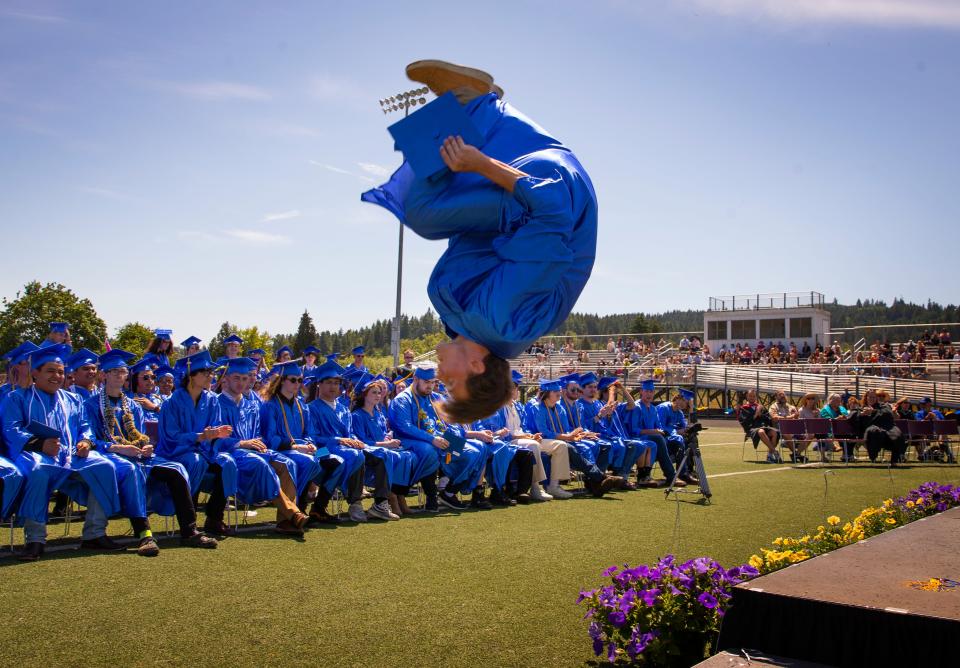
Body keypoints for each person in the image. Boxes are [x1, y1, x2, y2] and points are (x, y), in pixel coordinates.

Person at [362, 60, 597, 425]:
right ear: (475, 364)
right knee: (423, 211)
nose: (439, 377)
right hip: (551, 195)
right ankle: (470, 103)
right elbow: (552, 216)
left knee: (428, 209)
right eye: (451, 383)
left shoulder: (472, 325)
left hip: (521, 215)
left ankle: (473, 112)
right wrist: (482, 163)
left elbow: (472, 242)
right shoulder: (502, 320)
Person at [86, 349, 218, 553]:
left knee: (176, 470)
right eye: (114, 372)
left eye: (123, 371)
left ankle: (189, 531)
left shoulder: (132, 405)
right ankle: (144, 535)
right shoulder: (91, 404)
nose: (121, 376)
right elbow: (91, 438)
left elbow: (139, 435)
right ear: (103, 375)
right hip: (111, 455)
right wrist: (118, 447)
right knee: (133, 473)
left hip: (138, 456)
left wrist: (144, 446)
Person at [2, 344, 126, 561]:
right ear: (35, 373)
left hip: (70, 454)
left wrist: (86, 441)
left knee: (105, 466)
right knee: (39, 470)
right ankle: (35, 539)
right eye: (50, 371)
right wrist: (39, 444)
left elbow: (85, 425)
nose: (57, 376)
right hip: (36, 454)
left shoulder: (73, 399)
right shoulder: (18, 398)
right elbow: (11, 429)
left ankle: (94, 534)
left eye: (60, 372)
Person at [216, 357, 309, 535]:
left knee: (290, 463)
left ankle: (287, 520)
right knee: (269, 462)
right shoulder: (217, 404)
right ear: (225, 379)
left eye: (245, 378)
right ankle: (293, 512)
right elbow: (214, 438)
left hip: (259, 451)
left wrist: (310, 444)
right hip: (232, 452)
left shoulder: (251, 405)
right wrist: (243, 443)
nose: (242, 383)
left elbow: (259, 434)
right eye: (236, 378)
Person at [155, 351, 238, 538]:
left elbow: (214, 429)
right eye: (206, 372)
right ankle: (189, 522)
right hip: (175, 452)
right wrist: (199, 437)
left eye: (211, 372)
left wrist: (217, 433)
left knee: (228, 463)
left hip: (205, 450)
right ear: (191, 375)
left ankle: (214, 517)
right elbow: (170, 437)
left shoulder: (211, 400)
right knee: (195, 461)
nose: (211, 376)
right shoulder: (172, 402)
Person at [306, 361, 399, 521]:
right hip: (321, 451)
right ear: (319, 384)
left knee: (381, 453)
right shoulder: (311, 408)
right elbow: (312, 438)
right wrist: (338, 440)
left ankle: (380, 504)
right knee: (354, 455)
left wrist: (356, 441)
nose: (333, 386)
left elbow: (350, 434)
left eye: (336, 383)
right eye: (328, 382)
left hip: (345, 448)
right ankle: (355, 502)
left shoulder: (343, 409)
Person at [388, 366, 485, 511]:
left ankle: (449, 492)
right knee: (429, 450)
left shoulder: (436, 397)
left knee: (475, 450)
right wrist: (432, 438)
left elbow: (450, 421)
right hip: (410, 440)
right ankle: (431, 497)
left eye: (433, 382)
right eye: (427, 382)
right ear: (415, 379)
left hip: (440, 439)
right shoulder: (402, 399)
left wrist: (453, 437)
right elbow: (404, 427)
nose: (431, 386)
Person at [258, 362, 341, 525]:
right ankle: (300, 507)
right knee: (310, 462)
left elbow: (310, 433)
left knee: (334, 460)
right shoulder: (270, 406)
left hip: (305, 449)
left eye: (300, 380)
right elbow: (270, 438)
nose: (298, 384)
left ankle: (318, 508)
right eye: (293, 380)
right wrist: (295, 446)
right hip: (284, 451)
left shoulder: (302, 405)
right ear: (282, 381)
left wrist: (310, 444)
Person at [526, 379, 621, 497]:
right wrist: (567, 437)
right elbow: (543, 432)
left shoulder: (559, 408)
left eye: (558, 391)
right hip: (541, 439)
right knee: (570, 448)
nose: (558, 393)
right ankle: (600, 478)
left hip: (561, 439)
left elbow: (566, 430)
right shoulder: (538, 408)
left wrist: (576, 435)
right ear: (547, 393)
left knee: (594, 445)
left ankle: (597, 482)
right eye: (555, 391)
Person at [477, 370, 563, 501]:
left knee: (532, 447)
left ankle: (523, 490)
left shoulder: (517, 406)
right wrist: (525, 438)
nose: (517, 391)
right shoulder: (498, 407)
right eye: (515, 388)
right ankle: (535, 487)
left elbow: (520, 428)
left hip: (516, 440)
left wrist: (529, 435)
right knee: (533, 446)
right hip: (504, 441)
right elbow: (505, 433)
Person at [350, 375, 417, 516]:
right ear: (364, 394)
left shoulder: (378, 413)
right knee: (389, 455)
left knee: (407, 455)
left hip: (382, 447)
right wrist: (386, 444)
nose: (378, 395)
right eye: (373, 392)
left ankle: (400, 496)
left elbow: (383, 434)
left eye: (379, 392)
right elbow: (362, 441)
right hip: (369, 451)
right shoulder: (357, 415)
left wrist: (388, 437)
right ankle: (388, 498)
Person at [578, 375, 646, 487]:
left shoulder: (597, 404)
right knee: (617, 446)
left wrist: (607, 415)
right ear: (583, 389)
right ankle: (600, 479)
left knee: (634, 445)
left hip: (606, 435)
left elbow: (605, 421)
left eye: (595, 387)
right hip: (593, 436)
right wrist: (599, 416)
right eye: (590, 387)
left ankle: (621, 476)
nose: (593, 389)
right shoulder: (579, 405)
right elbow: (582, 426)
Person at [618, 380, 682, 488]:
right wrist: (654, 432)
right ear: (641, 392)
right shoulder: (636, 407)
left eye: (651, 392)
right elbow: (634, 430)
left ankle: (682, 472)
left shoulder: (653, 409)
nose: (649, 394)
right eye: (647, 391)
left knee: (675, 440)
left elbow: (659, 427)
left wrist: (664, 432)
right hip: (636, 438)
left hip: (652, 438)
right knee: (657, 439)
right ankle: (669, 475)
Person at [849, 389, 906, 465]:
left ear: (876, 398)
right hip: (869, 431)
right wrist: (862, 414)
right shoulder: (861, 408)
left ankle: (894, 460)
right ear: (866, 398)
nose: (872, 399)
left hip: (886, 430)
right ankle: (873, 457)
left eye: (874, 397)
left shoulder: (883, 406)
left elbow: (888, 414)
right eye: (870, 397)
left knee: (898, 434)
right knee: (874, 431)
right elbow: (851, 415)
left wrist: (873, 411)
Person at [655, 389, 699, 485]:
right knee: (680, 440)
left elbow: (686, 427)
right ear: (678, 398)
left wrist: (691, 408)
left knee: (692, 438)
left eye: (687, 402)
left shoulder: (679, 413)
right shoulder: (664, 408)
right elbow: (660, 427)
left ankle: (688, 471)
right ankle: (683, 473)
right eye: (684, 400)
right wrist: (678, 432)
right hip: (662, 438)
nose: (685, 404)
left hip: (673, 439)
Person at [738, 389, 780, 463]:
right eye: (750, 396)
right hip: (752, 429)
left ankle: (769, 455)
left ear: (756, 397)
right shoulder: (743, 408)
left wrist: (761, 415)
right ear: (747, 397)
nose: (752, 397)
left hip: (763, 426)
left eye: (754, 396)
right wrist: (756, 414)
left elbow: (768, 419)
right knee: (761, 431)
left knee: (774, 432)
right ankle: (775, 452)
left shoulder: (761, 407)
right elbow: (744, 422)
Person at [769, 390, 805, 462]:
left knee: (808, 434)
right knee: (786, 432)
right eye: (780, 394)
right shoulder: (773, 407)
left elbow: (796, 417)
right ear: (776, 397)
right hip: (779, 429)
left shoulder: (791, 407)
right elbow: (775, 418)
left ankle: (796, 453)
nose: (783, 396)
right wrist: (790, 417)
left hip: (793, 428)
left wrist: (796, 416)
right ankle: (796, 454)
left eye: (784, 394)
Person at [128, 357, 163, 422]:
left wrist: (154, 408)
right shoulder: (128, 399)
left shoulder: (159, 400)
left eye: (153, 377)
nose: (150, 381)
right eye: (146, 377)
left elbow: (172, 420)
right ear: (135, 380)